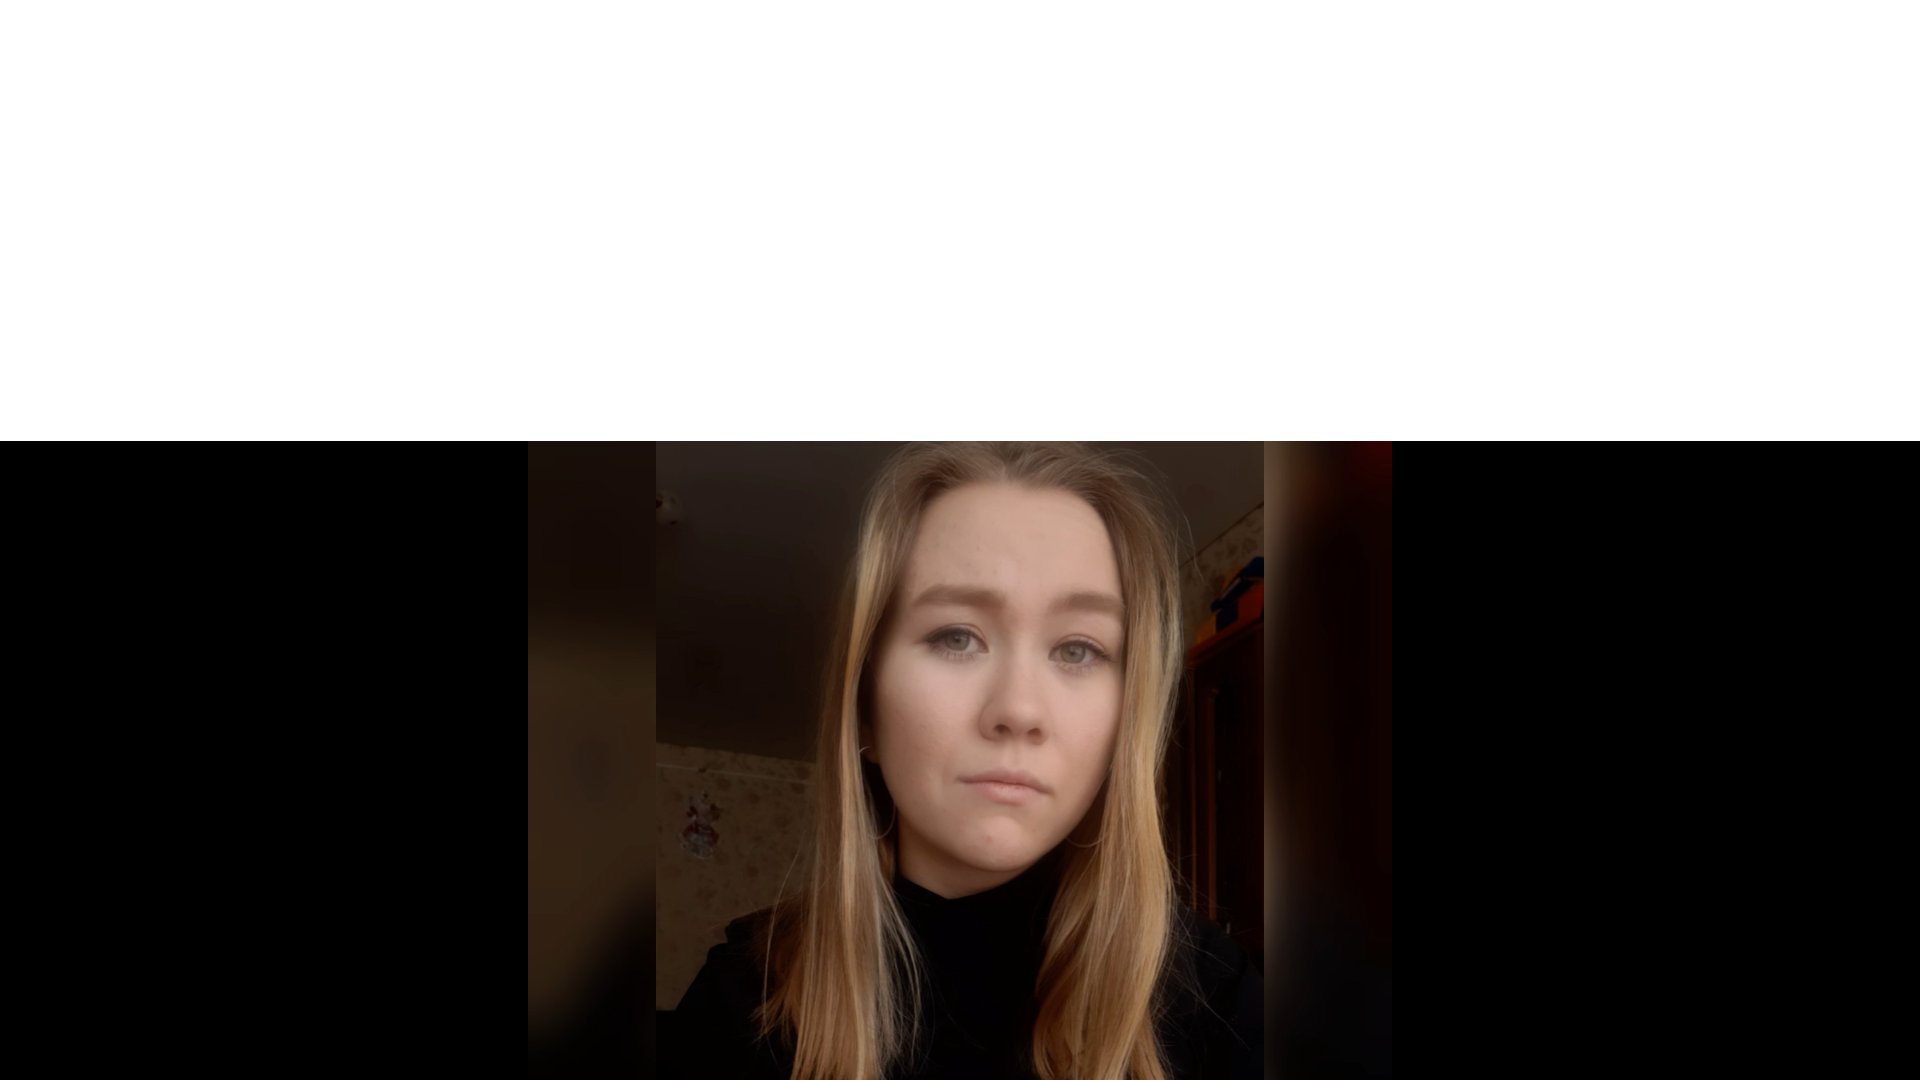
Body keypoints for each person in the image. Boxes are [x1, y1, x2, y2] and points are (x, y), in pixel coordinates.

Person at [664, 443, 1262, 1080]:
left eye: (1078, 649)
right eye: (957, 637)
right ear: (865, 705)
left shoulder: (1218, 998)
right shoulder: (741, 999)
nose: (1019, 709)